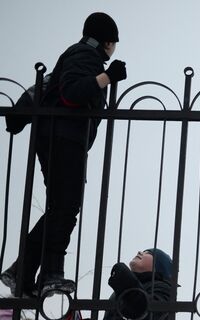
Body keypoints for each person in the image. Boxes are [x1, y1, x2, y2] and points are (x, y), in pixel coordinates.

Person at [0, 13, 126, 298]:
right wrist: (107, 77)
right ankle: (48, 274)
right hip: (63, 140)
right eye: (114, 43)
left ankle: (25, 272)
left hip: (60, 139)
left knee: (61, 208)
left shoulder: (77, 54)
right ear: (108, 42)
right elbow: (71, 94)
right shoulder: (84, 55)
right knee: (66, 208)